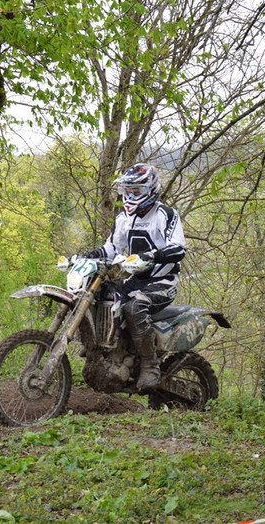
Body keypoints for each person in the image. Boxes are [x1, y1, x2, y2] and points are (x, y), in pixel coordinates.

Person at [86, 163, 186, 389]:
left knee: (134, 307)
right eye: (127, 191)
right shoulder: (123, 218)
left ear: (150, 189)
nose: (130, 195)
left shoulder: (165, 215)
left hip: (162, 282)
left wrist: (150, 256)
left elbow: (178, 249)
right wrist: (85, 257)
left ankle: (150, 364)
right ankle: (104, 349)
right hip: (134, 281)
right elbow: (111, 248)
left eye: (136, 191)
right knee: (101, 293)